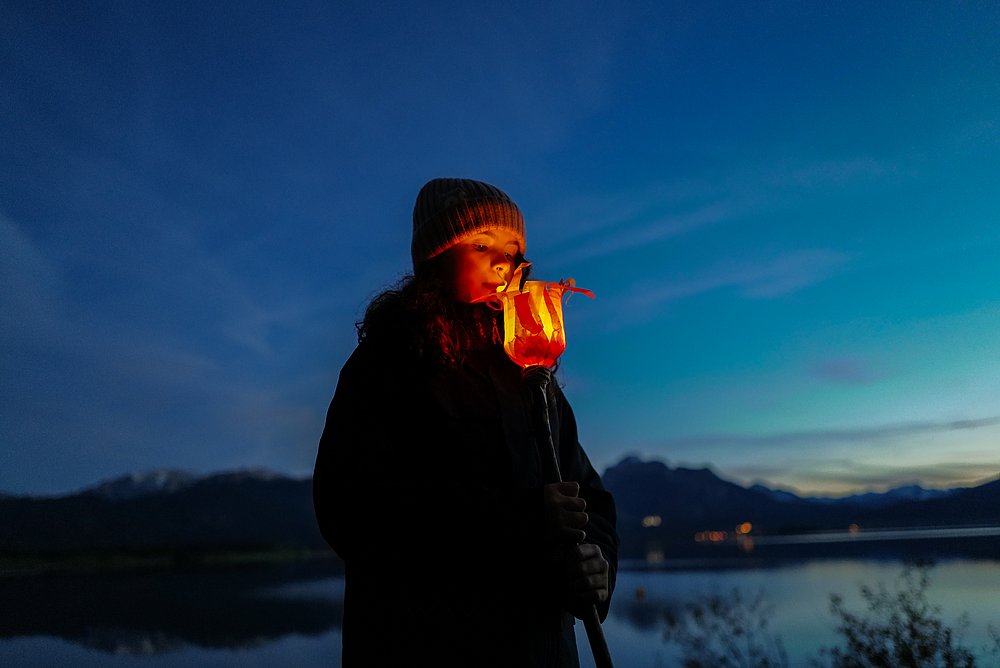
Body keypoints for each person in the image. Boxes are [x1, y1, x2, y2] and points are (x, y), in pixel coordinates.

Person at [313, 177, 618, 668]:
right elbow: (351, 507)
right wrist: (522, 518)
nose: (504, 260)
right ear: (435, 257)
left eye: (514, 248)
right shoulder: (387, 364)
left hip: (542, 649)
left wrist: (595, 561)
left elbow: (586, 494)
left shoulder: (531, 376)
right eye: (481, 243)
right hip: (423, 644)